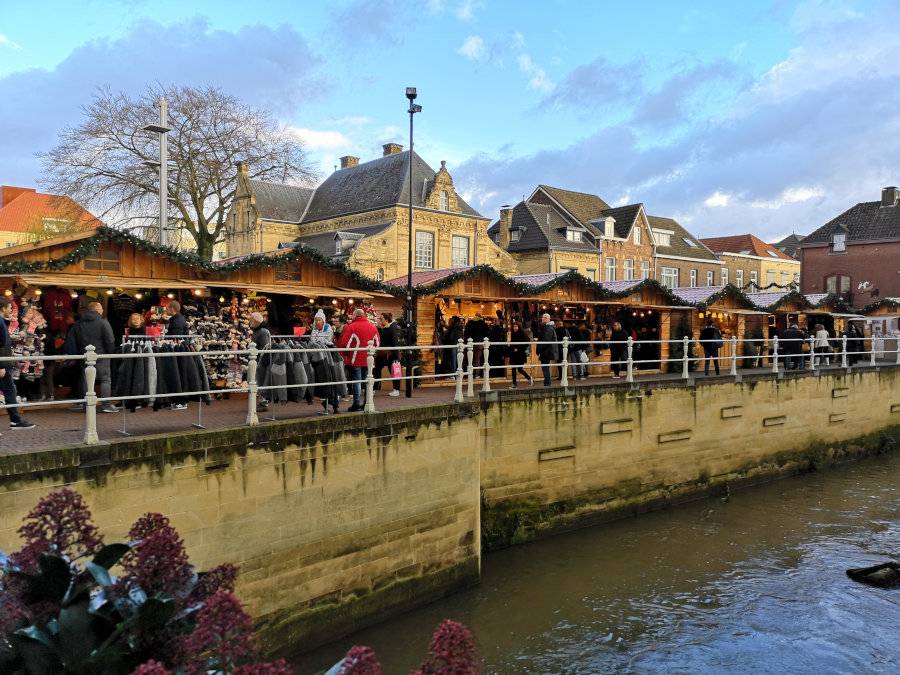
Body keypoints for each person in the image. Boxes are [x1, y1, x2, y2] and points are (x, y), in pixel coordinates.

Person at [71, 301, 118, 413]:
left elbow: (75, 339)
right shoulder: (103, 322)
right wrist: (111, 353)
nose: (102, 310)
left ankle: (87, 404)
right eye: (101, 308)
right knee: (105, 380)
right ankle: (106, 405)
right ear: (97, 309)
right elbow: (110, 340)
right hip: (101, 355)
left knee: (86, 381)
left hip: (85, 356)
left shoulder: (79, 323)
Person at [0, 297, 35, 430]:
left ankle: (15, 420)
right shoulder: (0, 322)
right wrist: (2, 365)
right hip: (3, 364)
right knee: (10, 390)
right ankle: (15, 420)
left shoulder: (3, 321)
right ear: (3, 308)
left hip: (4, 362)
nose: (11, 310)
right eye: (9, 307)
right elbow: (1, 344)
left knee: (10, 390)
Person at [337, 308, 380, 412]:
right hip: (369, 359)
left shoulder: (352, 327)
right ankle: (367, 402)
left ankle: (356, 403)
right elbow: (377, 343)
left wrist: (347, 355)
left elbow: (345, 344)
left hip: (356, 359)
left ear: (355, 316)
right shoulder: (372, 327)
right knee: (367, 382)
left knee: (357, 381)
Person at [310, 309, 339, 414]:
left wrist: (318, 342)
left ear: (323, 321)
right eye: (316, 320)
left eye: (319, 320)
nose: (317, 322)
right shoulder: (314, 330)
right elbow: (312, 341)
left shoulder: (328, 329)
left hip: (327, 357)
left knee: (330, 378)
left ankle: (333, 403)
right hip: (317, 356)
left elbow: (326, 341)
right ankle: (326, 403)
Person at [378, 312, 402, 397]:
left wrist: (397, 355)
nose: (380, 321)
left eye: (381, 319)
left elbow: (395, 342)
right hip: (385, 353)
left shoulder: (392, 328)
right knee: (380, 370)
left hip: (392, 354)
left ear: (386, 319)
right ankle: (374, 388)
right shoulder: (384, 328)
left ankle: (396, 390)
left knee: (395, 371)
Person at [509, 320, 533, 388]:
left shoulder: (522, 333)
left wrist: (518, 348)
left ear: (519, 327)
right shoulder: (513, 333)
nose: (515, 328)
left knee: (519, 369)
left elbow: (527, 342)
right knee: (513, 368)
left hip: (520, 354)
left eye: (516, 326)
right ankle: (514, 384)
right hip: (513, 354)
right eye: (513, 326)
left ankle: (529, 378)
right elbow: (512, 343)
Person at [536, 313, 558, 387]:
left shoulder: (548, 328)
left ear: (548, 319)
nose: (543, 319)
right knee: (545, 367)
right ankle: (547, 382)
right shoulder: (548, 327)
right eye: (543, 317)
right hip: (547, 350)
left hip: (546, 351)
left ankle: (547, 383)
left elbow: (546, 341)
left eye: (544, 317)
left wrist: (539, 349)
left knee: (545, 367)